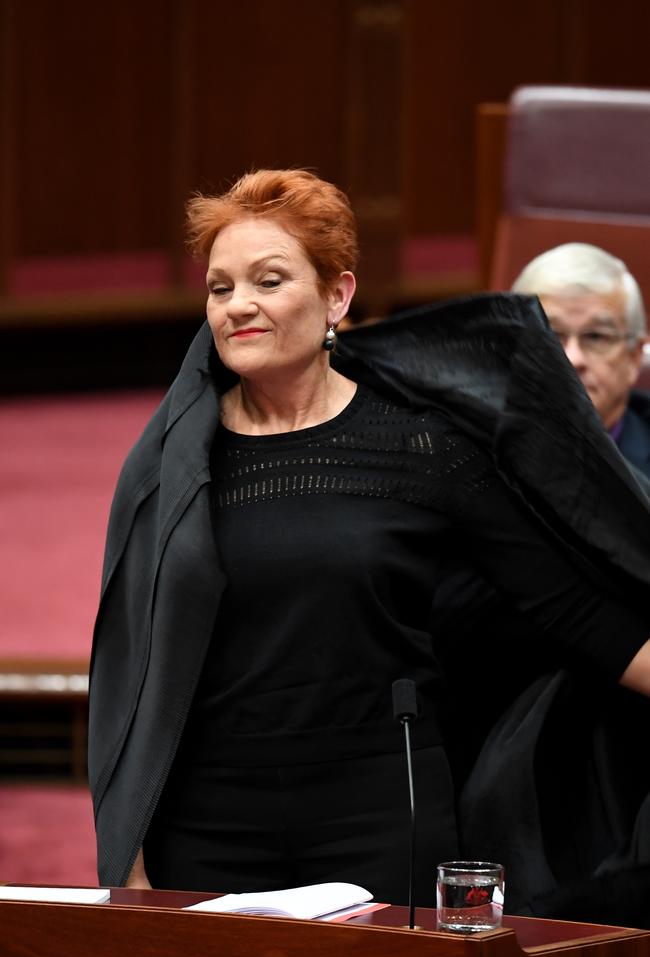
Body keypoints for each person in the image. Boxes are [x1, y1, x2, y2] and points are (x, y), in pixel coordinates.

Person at [88, 170, 650, 914]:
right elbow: (130, 668)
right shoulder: (174, 459)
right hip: (208, 821)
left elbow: (569, 606)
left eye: (268, 279)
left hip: (383, 816)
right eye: (220, 288)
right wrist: (128, 857)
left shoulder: (424, 444)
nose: (238, 306)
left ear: (337, 296)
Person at [512, 243, 650, 476]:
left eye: (596, 336)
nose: (573, 359)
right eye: (551, 336)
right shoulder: (468, 447)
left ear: (634, 357)